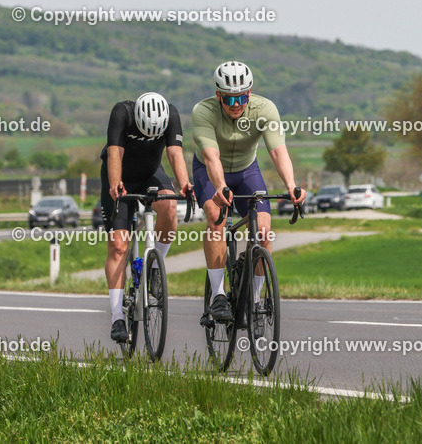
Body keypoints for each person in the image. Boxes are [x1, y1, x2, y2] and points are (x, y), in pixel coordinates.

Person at [191, 61, 305, 323]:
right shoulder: (203, 111)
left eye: (242, 97)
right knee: (215, 214)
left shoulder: (265, 109)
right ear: (218, 95)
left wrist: (291, 185)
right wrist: (219, 187)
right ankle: (218, 296)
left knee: (264, 231)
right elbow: (211, 156)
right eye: (229, 98)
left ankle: (253, 301)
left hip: (246, 170)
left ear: (250, 93)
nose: (236, 104)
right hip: (209, 170)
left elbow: (277, 150)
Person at [101, 92, 191, 344]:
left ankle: (155, 268)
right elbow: (115, 152)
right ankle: (117, 316)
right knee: (118, 246)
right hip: (120, 174)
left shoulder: (171, 114)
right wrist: (115, 183)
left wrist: (184, 184)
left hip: (151, 173)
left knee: (170, 206)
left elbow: (174, 153)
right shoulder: (122, 112)